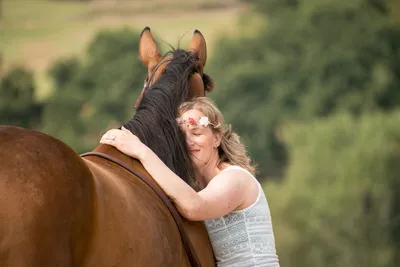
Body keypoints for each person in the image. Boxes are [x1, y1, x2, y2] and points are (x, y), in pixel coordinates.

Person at [100, 96, 280, 267]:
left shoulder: (235, 178)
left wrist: (141, 150)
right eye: (182, 137)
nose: (189, 142)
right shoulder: (195, 187)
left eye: (197, 133)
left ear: (216, 138)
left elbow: (194, 207)